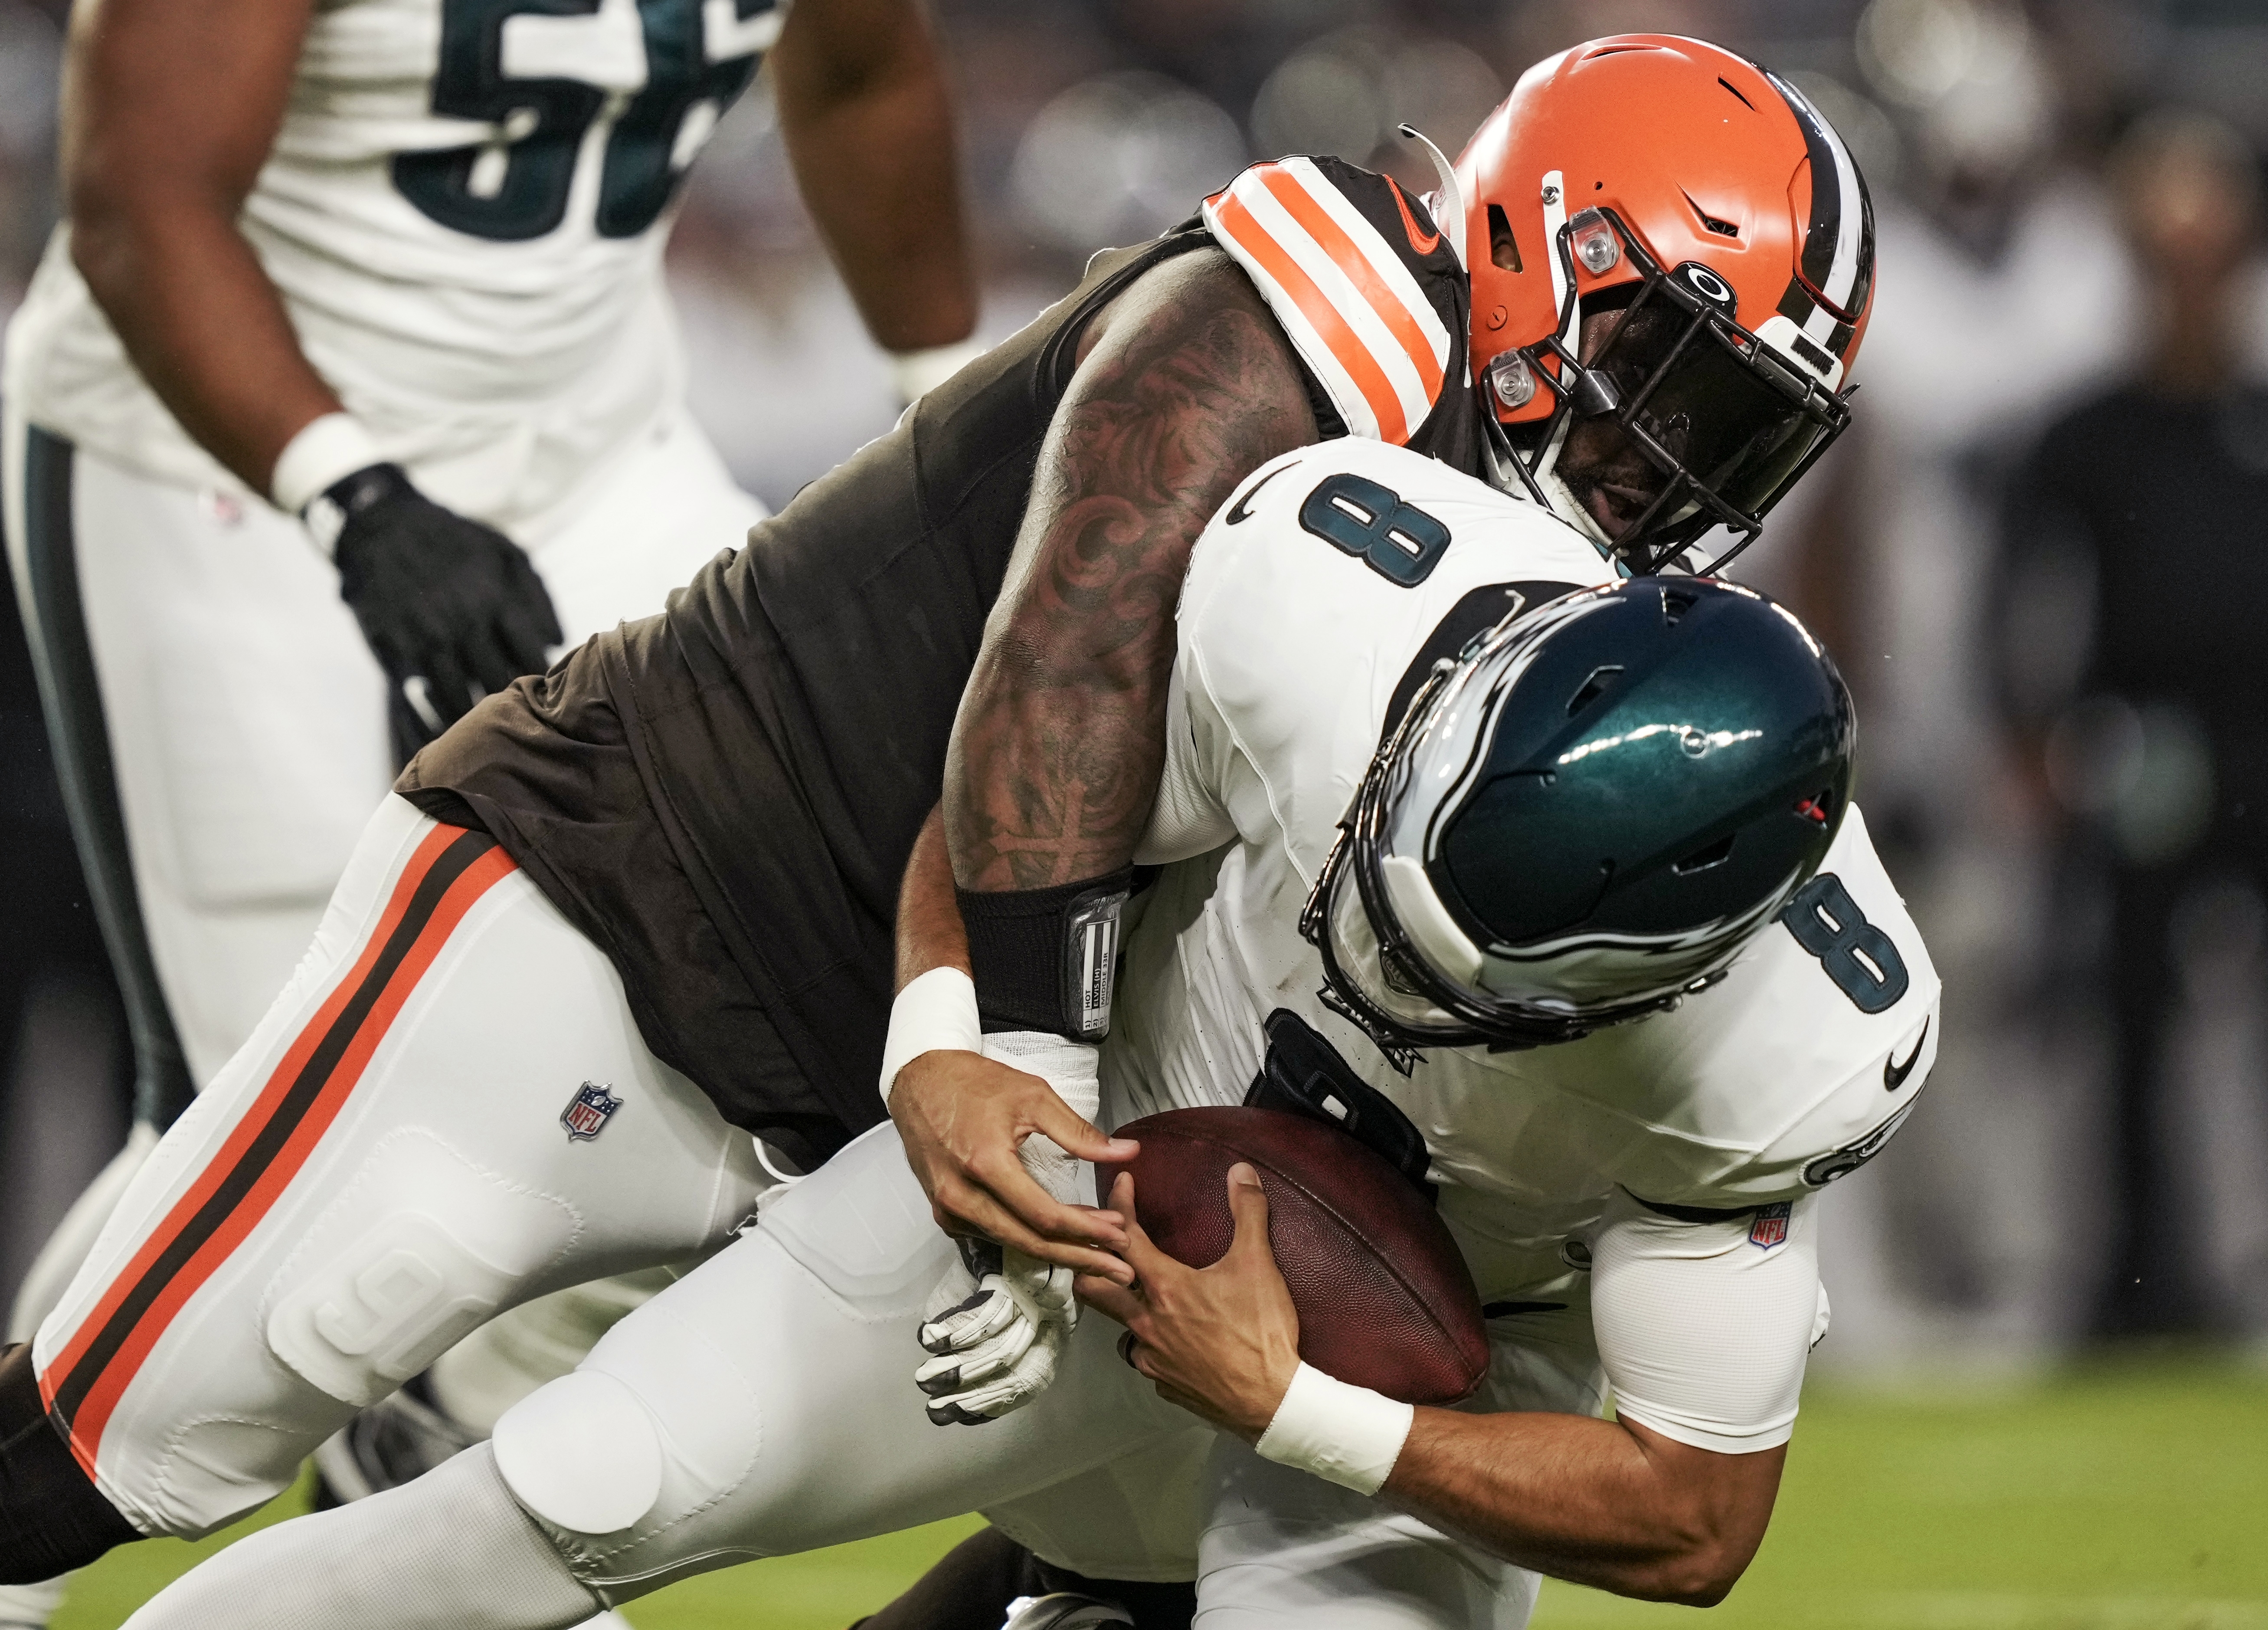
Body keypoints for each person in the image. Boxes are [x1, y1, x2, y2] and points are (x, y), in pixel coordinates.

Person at [0, 32, 1876, 1600]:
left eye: (1739, 439)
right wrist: (1009, 1055)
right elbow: (1061, 668)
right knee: (140, 1426)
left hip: (969, 1076)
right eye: (1666, 386)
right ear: (1541, 253)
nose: (1671, 473)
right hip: (653, 904)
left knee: (1031, 1548)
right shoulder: (1333, 311)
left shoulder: (1584, 648)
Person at [109, 438, 1941, 1628]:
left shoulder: (1785, 1050)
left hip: (1446, 1353)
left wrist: (1291, 1407)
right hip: (1101, 1145)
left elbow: (1691, 1517)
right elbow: (1009, 786)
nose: (1376, 961)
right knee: (587, 1483)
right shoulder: (1333, 593)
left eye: (1451, 977)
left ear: (1666, 978)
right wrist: (960, 1054)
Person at [0, 0, 977, 1617]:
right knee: (256, 1091)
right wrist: (352, 494)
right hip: (220, 451)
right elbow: (140, 197)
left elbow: (867, 73)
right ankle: (366, 1492)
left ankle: (444, 1459)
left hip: (596, 449)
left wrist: (966, 416)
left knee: (790, 951)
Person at [1990, 114, 2268, 1337]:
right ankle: (2137, 1278)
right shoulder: (2091, 432)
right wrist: (2026, 729)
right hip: (2138, 743)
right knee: (2126, 1016)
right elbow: (2016, 588)